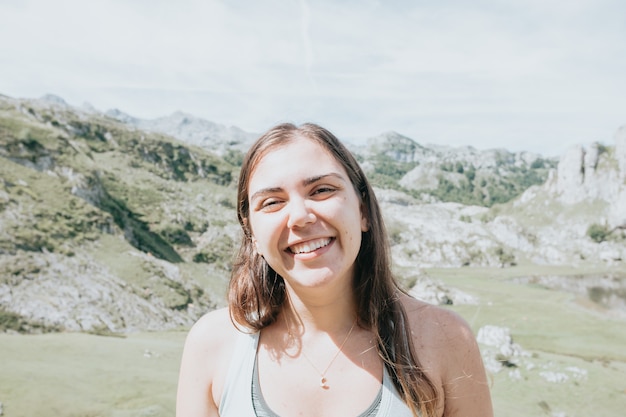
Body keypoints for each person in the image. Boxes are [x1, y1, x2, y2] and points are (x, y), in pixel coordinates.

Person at [176, 123, 493, 417]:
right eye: (272, 202)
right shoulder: (213, 345)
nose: (300, 216)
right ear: (252, 235)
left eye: (322, 190)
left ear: (363, 210)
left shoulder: (444, 339)